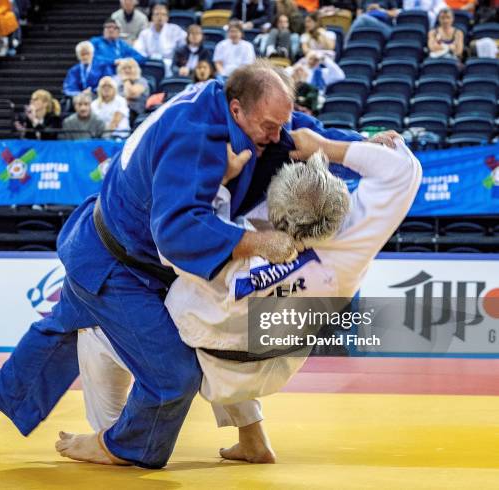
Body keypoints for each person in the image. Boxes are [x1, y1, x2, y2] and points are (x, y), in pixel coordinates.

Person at [66, 128, 420, 465]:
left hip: (213, 364)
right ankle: (253, 440)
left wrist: (219, 180)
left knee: (96, 329)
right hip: (280, 362)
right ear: (341, 202)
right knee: (243, 326)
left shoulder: (240, 245)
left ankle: (110, 437)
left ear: (274, 211)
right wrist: (327, 146)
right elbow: (403, 171)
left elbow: (172, 245)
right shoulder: (354, 238)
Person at [134, 3, 186, 72]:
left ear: (167, 17)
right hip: (149, 64)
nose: (160, 17)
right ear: (152, 17)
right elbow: (139, 50)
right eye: (157, 14)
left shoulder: (175, 30)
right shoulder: (145, 33)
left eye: (163, 14)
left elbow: (185, 46)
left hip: (170, 65)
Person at [113, 57, 149, 127]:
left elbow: (131, 94)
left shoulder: (142, 81)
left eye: (129, 68)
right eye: (124, 68)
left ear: (135, 69)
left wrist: (126, 80)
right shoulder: (115, 80)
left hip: (134, 111)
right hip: (115, 108)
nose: (127, 70)